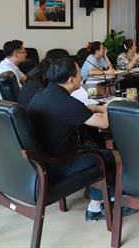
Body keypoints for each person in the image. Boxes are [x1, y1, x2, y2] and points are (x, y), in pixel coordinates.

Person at [27, 57, 120, 222]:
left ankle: (105, 193)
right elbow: (104, 123)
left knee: (92, 146)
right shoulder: (66, 103)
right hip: (60, 164)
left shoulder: (41, 94)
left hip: (42, 160)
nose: (81, 76)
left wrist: (98, 107)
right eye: (79, 73)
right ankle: (96, 207)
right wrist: (110, 107)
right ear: (71, 80)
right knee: (108, 155)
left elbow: (74, 110)